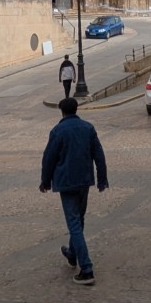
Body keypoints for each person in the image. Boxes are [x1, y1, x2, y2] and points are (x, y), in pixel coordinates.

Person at [39, 97, 108, 286]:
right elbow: (99, 155)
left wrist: (44, 181)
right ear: (76, 110)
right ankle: (72, 254)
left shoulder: (58, 131)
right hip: (84, 181)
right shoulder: (88, 128)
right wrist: (102, 179)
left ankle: (86, 268)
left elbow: (49, 158)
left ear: (62, 111)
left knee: (74, 224)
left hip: (67, 183)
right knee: (79, 220)